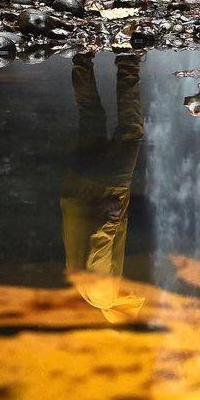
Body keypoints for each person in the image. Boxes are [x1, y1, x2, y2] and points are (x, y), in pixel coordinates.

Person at [60, 51, 146, 323]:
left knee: (132, 133)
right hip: (77, 188)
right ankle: (82, 59)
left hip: (103, 193)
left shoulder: (103, 296)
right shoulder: (85, 293)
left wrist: (110, 218)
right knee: (91, 116)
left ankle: (128, 61)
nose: (133, 292)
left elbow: (98, 253)